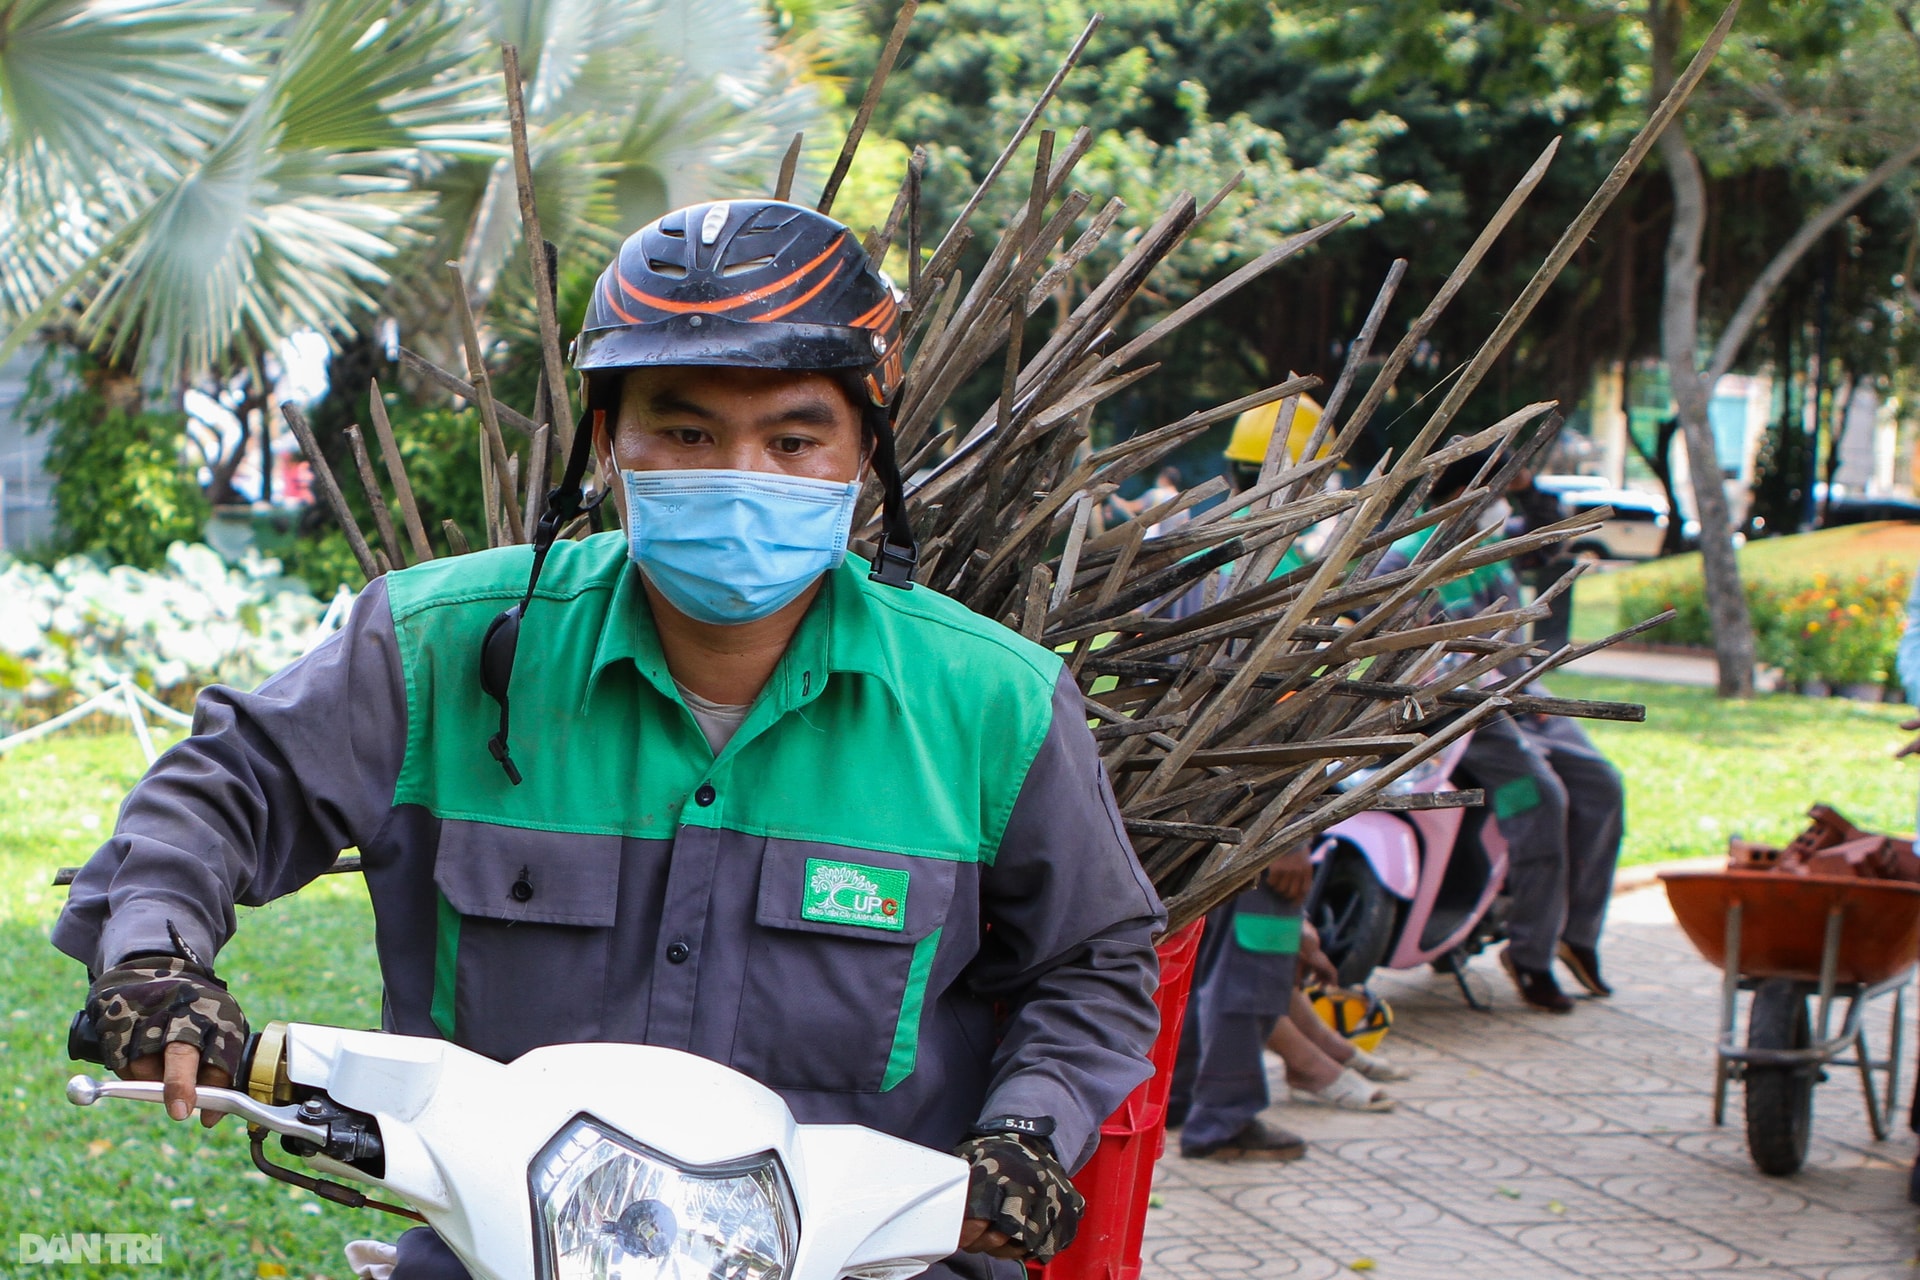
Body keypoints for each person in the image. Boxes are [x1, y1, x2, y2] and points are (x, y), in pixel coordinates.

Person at [52, 200, 1166, 1279]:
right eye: (685, 430)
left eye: (792, 437)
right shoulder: (436, 647)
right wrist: (155, 951)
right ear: (607, 440)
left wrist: (1029, 1130)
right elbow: (223, 787)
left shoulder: (994, 701)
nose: (741, 475)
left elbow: (1096, 960)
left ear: (865, 451)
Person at [1376, 449, 1625, 1014]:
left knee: (1602, 785)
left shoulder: (1492, 556)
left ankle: (1575, 935)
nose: (1504, 506)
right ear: (1464, 493)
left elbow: (1521, 634)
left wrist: (1530, 691)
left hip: (1521, 702)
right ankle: (1530, 953)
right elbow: (1399, 657)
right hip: (1458, 714)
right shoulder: (1404, 559)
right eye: (1498, 492)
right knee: (1539, 799)